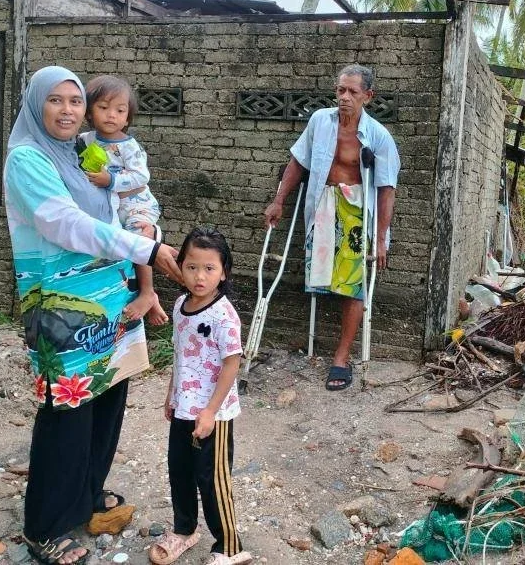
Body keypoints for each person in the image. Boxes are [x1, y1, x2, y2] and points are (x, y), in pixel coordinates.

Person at [4, 66, 184, 565]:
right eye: (55, 101)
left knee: (107, 399)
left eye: (75, 101)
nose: (67, 111)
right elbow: (65, 225)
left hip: (111, 296)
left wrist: (144, 231)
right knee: (66, 412)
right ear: (36, 105)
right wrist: (147, 248)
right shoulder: (28, 159)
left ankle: (86, 495)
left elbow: (123, 201)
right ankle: (46, 524)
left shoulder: (84, 152)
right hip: (61, 306)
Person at [263, 64, 400, 391]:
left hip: (355, 211)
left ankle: (341, 357)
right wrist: (279, 200)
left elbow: (386, 189)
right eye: (341, 90)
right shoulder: (319, 122)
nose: (344, 97)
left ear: (368, 96)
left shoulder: (378, 136)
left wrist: (380, 238)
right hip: (322, 205)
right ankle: (319, 347)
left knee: (353, 283)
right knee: (322, 275)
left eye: (353, 92)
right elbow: (298, 162)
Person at [148, 227, 252, 565]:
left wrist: (209, 412)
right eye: (191, 267)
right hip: (183, 407)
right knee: (179, 469)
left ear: (224, 272)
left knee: (212, 479)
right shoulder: (180, 305)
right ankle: (184, 530)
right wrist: (171, 395)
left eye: (209, 268)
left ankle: (229, 546)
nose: (199, 276)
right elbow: (181, 355)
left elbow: (231, 365)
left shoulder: (224, 315)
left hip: (213, 414)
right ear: (180, 266)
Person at [79, 74, 168, 325]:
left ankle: (148, 292)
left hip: (137, 205)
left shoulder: (129, 146)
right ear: (89, 113)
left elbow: (141, 176)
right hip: (112, 207)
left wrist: (111, 181)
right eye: (103, 108)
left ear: (127, 117)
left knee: (139, 240)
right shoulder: (85, 140)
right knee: (117, 250)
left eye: (119, 110)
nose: (111, 115)